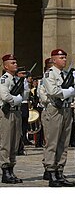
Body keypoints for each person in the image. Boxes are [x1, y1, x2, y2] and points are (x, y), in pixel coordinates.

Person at [43, 48, 75, 187]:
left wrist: (72, 91)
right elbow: (53, 91)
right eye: (61, 58)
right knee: (53, 142)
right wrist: (68, 91)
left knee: (64, 142)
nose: (64, 60)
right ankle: (51, 172)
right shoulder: (50, 74)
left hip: (67, 109)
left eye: (65, 58)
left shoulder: (66, 74)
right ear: (54, 60)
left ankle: (60, 171)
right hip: (55, 109)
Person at [0, 54, 23, 184]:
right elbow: (4, 95)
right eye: (12, 63)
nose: (15, 64)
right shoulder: (4, 79)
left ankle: (11, 169)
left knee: (15, 142)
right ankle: (5, 170)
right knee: (6, 142)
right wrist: (15, 100)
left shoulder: (16, 79)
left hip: (16, 112)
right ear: (6, 66)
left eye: (15, 62)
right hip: (7, 113)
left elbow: (23, 94)